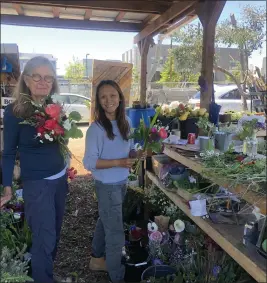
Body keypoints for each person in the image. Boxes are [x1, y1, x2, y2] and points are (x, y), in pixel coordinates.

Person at [1, 56, 68, 283]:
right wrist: (7, 187)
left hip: (60, 180)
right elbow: (8, 152)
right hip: (38, 185)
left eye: (48, 77)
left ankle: (45, 274)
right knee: (43, 238)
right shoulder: (14, 112)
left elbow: (61, 141)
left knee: (55, 233)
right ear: (26, 79)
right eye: (37, 76)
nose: (43, 81)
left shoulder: (55, 107)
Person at [83, 80, 143, 283]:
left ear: (120, 97)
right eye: (103, 97)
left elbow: (129, 148)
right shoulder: (96, 129)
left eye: (112, 96)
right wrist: (119, 162)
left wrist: (136, 153)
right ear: (99, 102)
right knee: (116, 232)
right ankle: (117, 276)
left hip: (121, 182)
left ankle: (96, 258)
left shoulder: (125, 121)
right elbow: (89, 162)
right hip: (107, 186)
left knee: (106, 219)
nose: (108, 100)